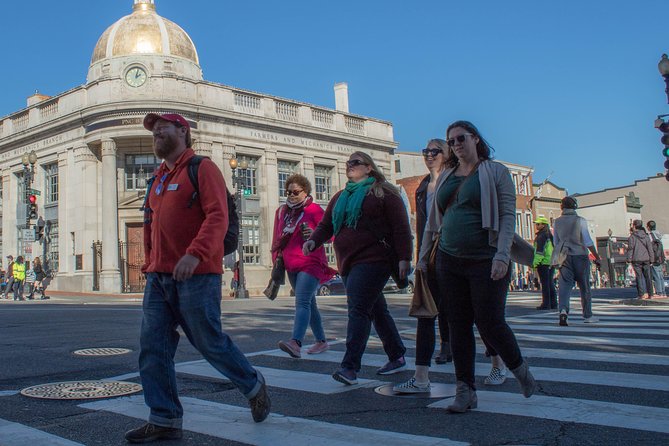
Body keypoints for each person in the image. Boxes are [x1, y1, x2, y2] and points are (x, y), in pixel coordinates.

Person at [125, 113, 270, 444]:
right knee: (152, 347)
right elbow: (151, 226)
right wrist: (150, 264)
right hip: (160, 278)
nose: (156, 131)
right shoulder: (158, 177)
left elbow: (218, 216)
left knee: (208, 341)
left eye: (163, 126)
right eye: (153, 129)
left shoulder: (202, 168)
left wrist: (195, 253)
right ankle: (163, 418)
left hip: (197, 275)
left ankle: (252, 384)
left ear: (182, 131)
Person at [417, 120, 536, 413]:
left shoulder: (495, 172)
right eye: (452, 141)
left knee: (490, 322)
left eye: (461, 138)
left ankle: (520, 369)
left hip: (486, 258)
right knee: (457, 326)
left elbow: (508, 216)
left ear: (475, 140)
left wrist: (501, 255)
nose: (456, 144)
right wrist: (422, 257)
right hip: (448, 258)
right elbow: (433, 223)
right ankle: (465, 390)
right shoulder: (447, 176)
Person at [304, 151, 412, 386]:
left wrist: (405, 257)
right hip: (348, 262)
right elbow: (326, 226)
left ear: (369, 168)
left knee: (358, 309)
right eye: (348, 163)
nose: (350, 166)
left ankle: (350, 367)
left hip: (375, 259)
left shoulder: (384, 192)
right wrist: (313, 240)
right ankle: (397, 355)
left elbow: (401, 227)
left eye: (356, 163)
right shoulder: (341, 196)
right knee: (376, 309)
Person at [272, 174, 336, 358]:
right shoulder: (282, 212)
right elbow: (277, 238)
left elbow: (331, 235)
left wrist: (315, 233)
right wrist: (276, 260)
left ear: (305, 191)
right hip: (291, 264)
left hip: (311, 262)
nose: (292, 195)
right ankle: (321, 341)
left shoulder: (314, 210)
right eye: (289, 192)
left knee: (301, 302)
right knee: (310, 303)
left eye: (296, 192)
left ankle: (296, 342)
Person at [552, 196, 601, 326]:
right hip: (580, 255)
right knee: (584, 286)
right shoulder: (580, 220)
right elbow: (588, 241)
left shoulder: (556, 222)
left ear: (562, 207)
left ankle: (563, 310)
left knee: (564, 286)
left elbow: (556, 242)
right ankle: (587, 315)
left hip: (564, 256)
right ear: (574, 206)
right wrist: (597, 256)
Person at [627, 219, 655, 300]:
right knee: (648, 277)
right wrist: (652, 259)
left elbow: (630, 249)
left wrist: (629, 259)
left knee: (639, 277)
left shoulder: (632, 237)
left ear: (634, 226)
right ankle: (650, 294)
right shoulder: (646, 236)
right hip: (646, 259)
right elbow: (650, 248)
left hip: (636, 259)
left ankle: (641, 294)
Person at [533, 216, 557, 310]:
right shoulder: (550, 236)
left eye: (538, 224)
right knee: (550, 283)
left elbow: (539, 251)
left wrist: (535, 263)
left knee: (545, 284)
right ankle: (553, 303)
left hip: (543, 262)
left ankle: (546, 303)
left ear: (543, 225)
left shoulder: (541, 236)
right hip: (551, 262)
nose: (536, 225)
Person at [647, 220, 666, 298]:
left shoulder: (651, 236)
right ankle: (663, 292)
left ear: (648, 227)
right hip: (661, 257)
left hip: (655, 258)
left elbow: (650, 248)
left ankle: (659, 292)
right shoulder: (658, 234)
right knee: (660, 276)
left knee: (656, 276)